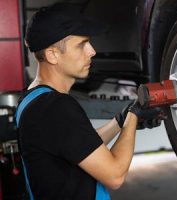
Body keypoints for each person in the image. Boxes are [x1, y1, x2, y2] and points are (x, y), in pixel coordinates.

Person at [17, 3, 163, 200]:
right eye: (81, 44)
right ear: (52, 54)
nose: (92, 51)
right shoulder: (56, 107)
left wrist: (120, 121)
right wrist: (133, 117)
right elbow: (115, 175)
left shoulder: (32, 99)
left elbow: (79, 145)